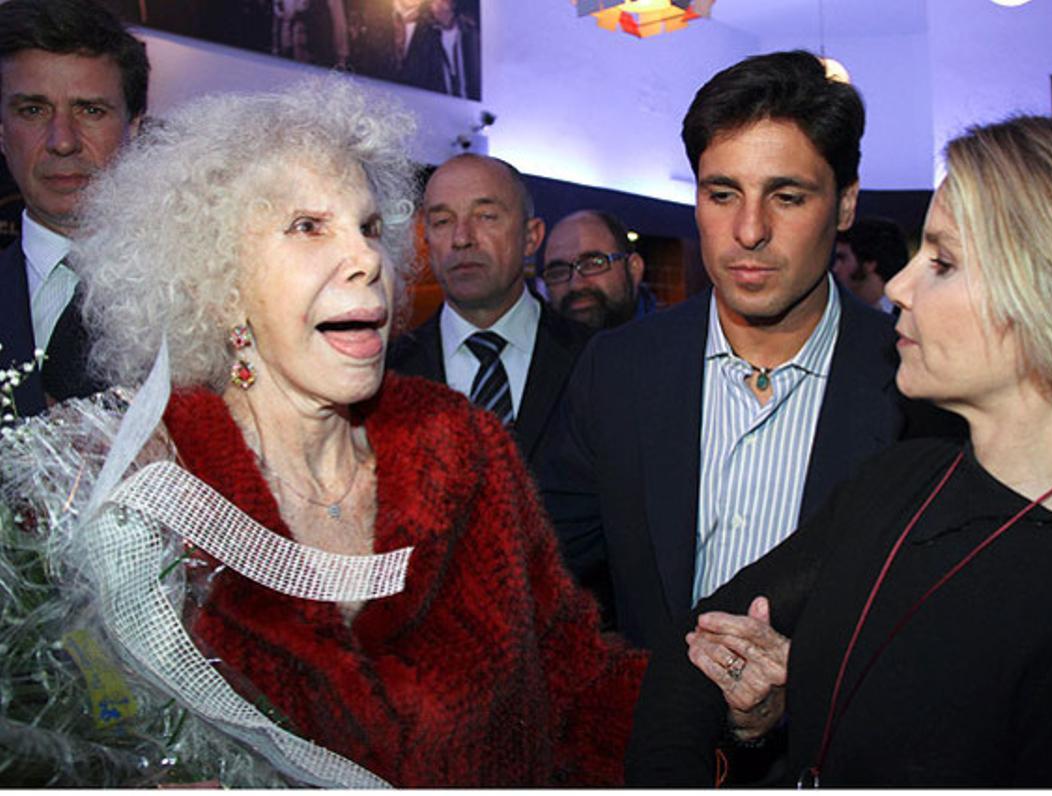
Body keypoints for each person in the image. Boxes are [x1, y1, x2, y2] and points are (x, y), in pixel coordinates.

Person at [3, 77, 643, 786]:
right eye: (309, 226)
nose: (368, 259)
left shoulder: (464, 446)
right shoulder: (138, 491)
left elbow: (577, 681)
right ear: (217, 283)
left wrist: (701, 711)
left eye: (368, 228)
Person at [626, 112, 1052, 787]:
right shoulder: (902, 477)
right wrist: (783, 706)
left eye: (943, 263)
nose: (898, 287)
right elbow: (696, 647)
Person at [537, 49, 959, 653]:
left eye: (787, 197)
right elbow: (543, 569)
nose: (749, 230)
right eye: (723, 194)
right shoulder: (618, 370)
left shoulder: (920, 387)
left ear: (845, 204)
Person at [388, 153, 591, 466]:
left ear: (531, 237)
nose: (461, 238)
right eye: (442, 222)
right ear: (426, 240)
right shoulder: (386, 374)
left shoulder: (594, 359)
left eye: (486, 216)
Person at [0, 0, 148, 421]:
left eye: (90, 110)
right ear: (1, 132)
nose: (62, 141)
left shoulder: (208, 300)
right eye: (33, 110)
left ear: (134, 127)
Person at [542, 209, 655, 330]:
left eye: (593, 264)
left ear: (634, 268)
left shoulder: (667, 336)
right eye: (558, 272)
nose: (576, 285)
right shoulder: (536, 338)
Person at [398, 0, 480, 100]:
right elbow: (413, 78)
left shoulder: (471, 33)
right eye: (433, 3)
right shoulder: (424, 36)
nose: (437, 6)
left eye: (442, 2)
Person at [832, 216, 909, 314]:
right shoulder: (841, 313)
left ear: (869, 264)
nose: (835, 269)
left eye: (842, 258)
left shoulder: (911, 313)